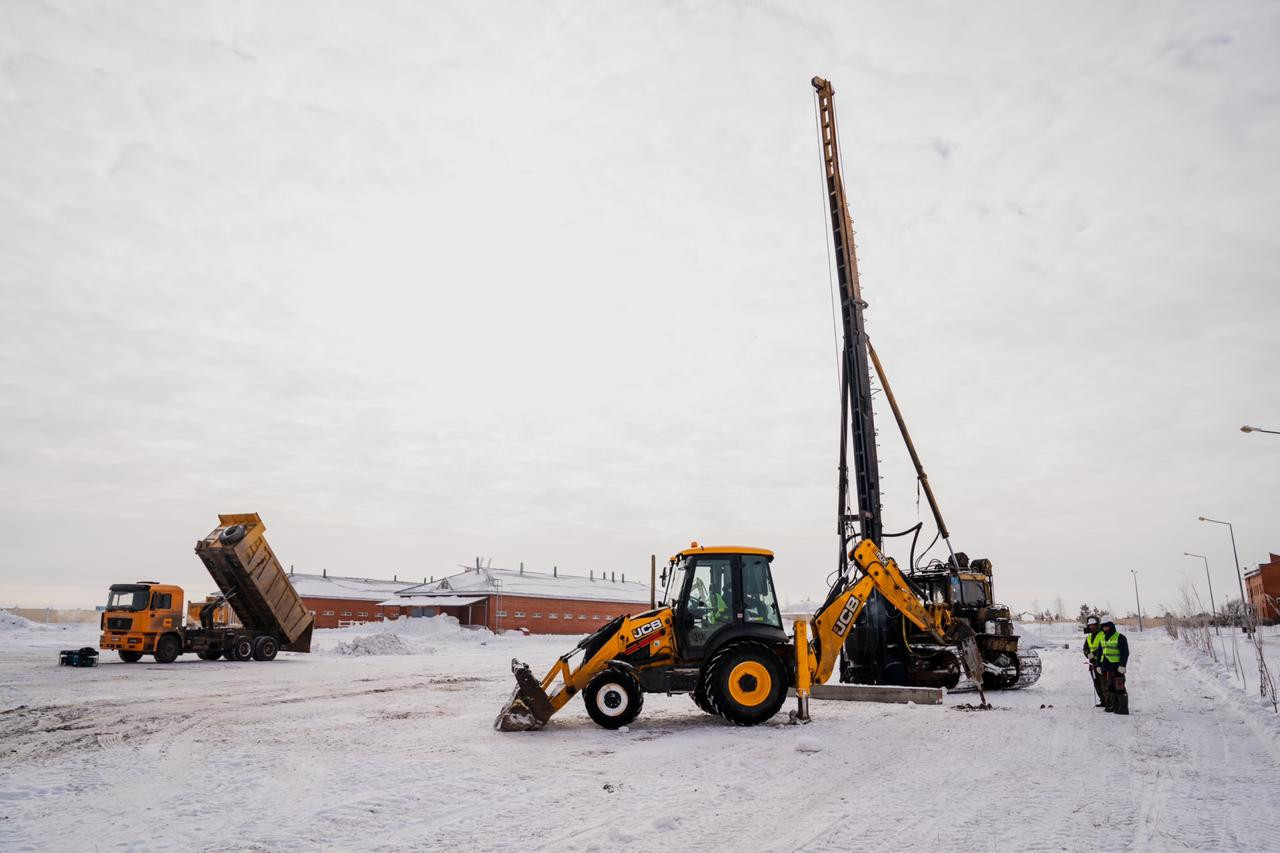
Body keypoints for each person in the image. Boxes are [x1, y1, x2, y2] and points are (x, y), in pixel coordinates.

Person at [1098, 620, 1130, 715]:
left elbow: (1125, 652)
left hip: (1117, 667)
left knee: (1120, 686)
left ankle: (1123, 708)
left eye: (1107, 626)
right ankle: (1114, 706)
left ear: (1111, 626)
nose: (1105, 628)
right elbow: (1100, 653)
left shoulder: (1120, 637)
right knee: (1110, 686)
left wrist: (1123, 665)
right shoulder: (1102, 638)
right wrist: (1098, 665)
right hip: (1107, 667)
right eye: (1103, 627)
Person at [1082, 616, 1106, 707]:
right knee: (1096, 683)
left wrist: (1094, 654)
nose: (1091, 627)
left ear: (1097, 625)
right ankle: (1103, 700)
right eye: (1090, 625)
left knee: (1104, 683)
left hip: (1101, 662)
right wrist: (1087, 654)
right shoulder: (1088, 637)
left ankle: (1109, 701)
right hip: (1092, 664)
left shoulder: (1102, 634)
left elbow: (1104, 646)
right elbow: (1085, 648)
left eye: (1093, 625)